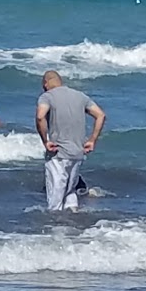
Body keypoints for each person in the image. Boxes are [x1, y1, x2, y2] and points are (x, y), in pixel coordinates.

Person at [35, 70, 105, 211]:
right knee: (70, 193)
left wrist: (45, 141)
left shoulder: (47, 96)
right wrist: (92, 140)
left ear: (46, 83)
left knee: (55, 198)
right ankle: (72, 226)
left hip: (58, 153)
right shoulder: (80, 96)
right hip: (77, 153)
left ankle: (55, 228)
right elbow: (100, 115)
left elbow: (40, 116)